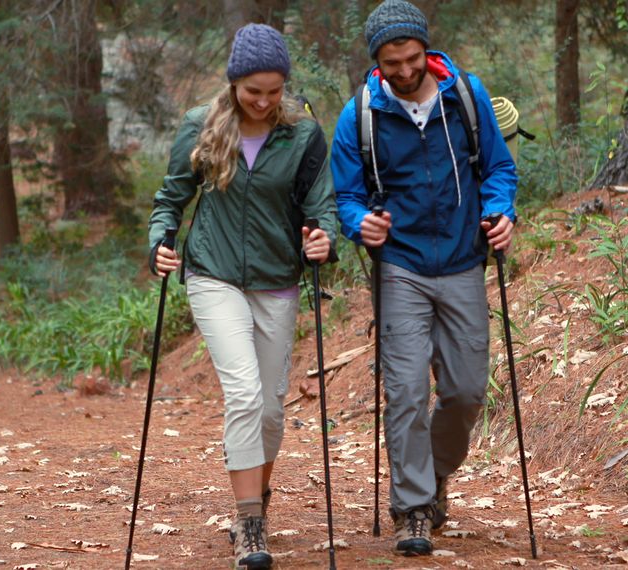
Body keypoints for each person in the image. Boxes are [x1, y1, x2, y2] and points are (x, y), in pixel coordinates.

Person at [330, 0, 518, 557]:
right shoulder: (359, 113)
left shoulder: (465, 95)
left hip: (463, 258)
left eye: (412, 59)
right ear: (377, 62)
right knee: (407, 391)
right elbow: (345, 195)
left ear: (426, 51)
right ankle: (412, 507)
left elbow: (499, 168)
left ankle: (433, 475)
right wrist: (358, 223)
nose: (406, 72)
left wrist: (500, 212)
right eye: (393, 64)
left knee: (465, 391)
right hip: (401, 267)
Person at [147, 23, 338, 570]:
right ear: (233, 83)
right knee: (246, 395)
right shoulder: (199, 127)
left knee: (273, 411)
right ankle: (248, 521)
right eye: (253, 90)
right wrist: (159, 242)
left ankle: (258, 494)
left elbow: (319, 205)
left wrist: (323, 237)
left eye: (274, 90)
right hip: (214, 274)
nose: (263, 101)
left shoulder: (302, 132)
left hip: (278, 278)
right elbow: (170, 199)